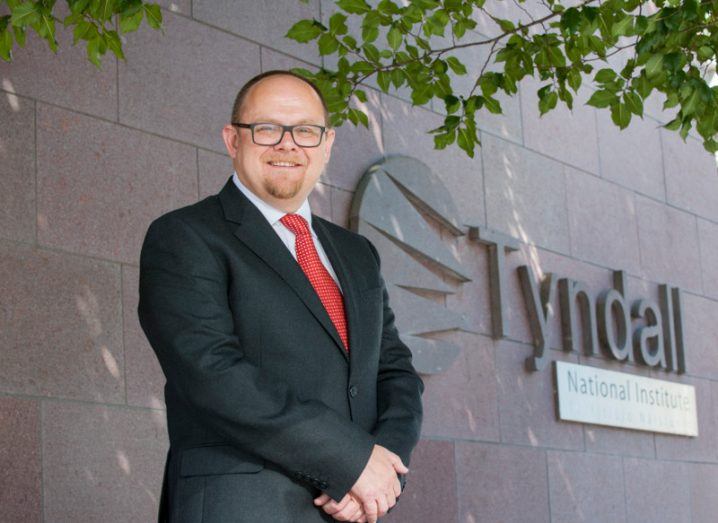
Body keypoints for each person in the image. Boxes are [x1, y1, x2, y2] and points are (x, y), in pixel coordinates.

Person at [137, 70, 424, 523]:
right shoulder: (184, 236)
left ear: (327, 145)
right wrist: (349, 462)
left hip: (355, 509)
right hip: (242, 507)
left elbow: (396, 373)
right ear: (233, 140)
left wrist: (382, 468)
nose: (288, 145)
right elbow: (211, 372)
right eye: (267, 129)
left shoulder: (357, 253)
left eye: (306, 131)